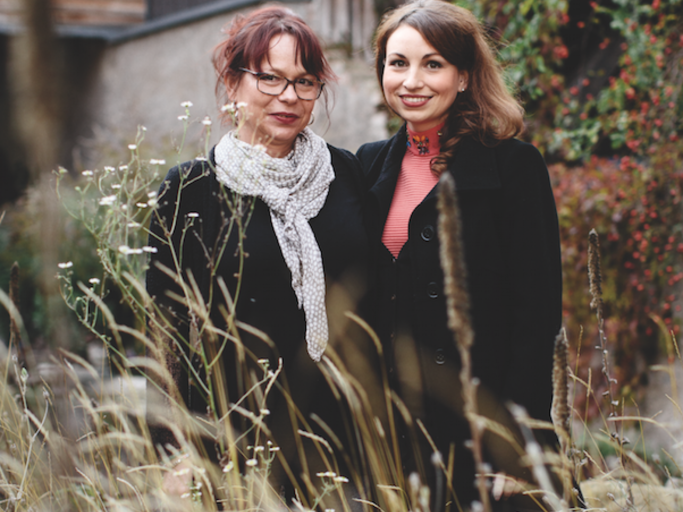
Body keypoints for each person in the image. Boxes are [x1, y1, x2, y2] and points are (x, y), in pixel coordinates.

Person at [145, 6, 372, 507]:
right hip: (236, 440)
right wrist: (176, 448)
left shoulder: (347, 174)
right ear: (232, 82)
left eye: (305, 81)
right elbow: (167, 331)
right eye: (270, 78)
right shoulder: (191, 191)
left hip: (348, 438)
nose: (289, 96)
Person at [356, 0, 563, 510]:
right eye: (398, 63)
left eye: (433, 64)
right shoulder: (365, 165)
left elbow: (536, 316)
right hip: (392, 438)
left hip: (484, 435)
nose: (411, 80)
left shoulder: (513, 167)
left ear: (465, 76)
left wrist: (520, 441)